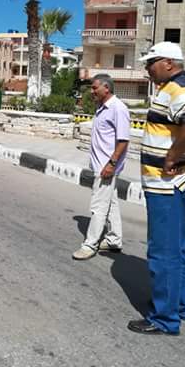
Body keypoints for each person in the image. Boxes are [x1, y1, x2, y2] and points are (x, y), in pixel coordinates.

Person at [128, 42, 185, 336]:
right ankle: (181, 305)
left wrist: (172, 156)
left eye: (151, 63)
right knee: (180, 247)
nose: (147, 69)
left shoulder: (177, 90)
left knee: (163, 252)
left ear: (169, 63)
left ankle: (164, 318)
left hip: (169, 185)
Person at [73, 74, 130, 261]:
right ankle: (114, 240)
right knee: (111, 202)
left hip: (107, 167)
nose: (91, 91)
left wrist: (111, 164)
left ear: (107, 88)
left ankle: (90, 244)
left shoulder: (117, 108)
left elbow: (123, 140)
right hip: (100, 165)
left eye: (94, 88)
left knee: (98, 206)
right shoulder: (101, 108)